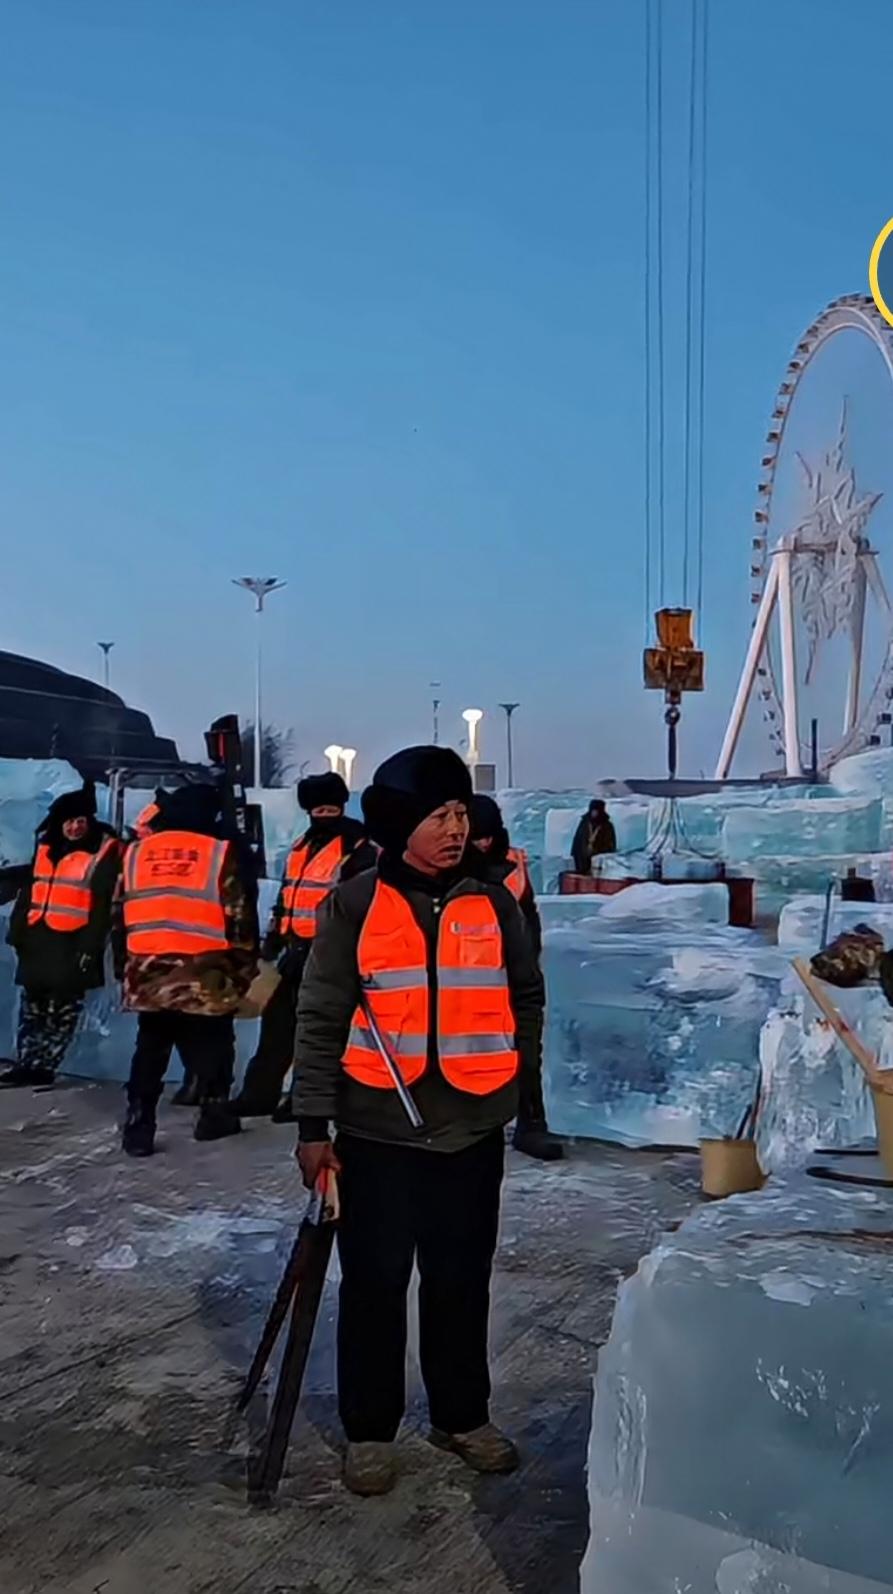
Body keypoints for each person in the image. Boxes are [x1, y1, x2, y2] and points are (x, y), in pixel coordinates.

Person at [293, 746, 545, 1497]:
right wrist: (313, 1126)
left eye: (461, 813)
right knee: (373, 1287)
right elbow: (319, 1016)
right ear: (401, 822)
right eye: (439, 814)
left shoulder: (493, 902)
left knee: (461, 1282)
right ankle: (369, 1431)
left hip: (469, 1131)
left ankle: (461, 1416)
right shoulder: (354, 903)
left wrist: (512, 1075)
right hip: (377, 1133)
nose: (455, 828)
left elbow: (526, 996)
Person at [116, 782, 259, 1157]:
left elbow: (119, 913)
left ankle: (139, 1122)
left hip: (147, 968)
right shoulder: (216, 852)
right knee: (214, 1042)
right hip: (204, 970)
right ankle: (213, 1114)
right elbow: (238, 916)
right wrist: (244, 967)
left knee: (150, 1047)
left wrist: (125, 965)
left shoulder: (135, 853)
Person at [232, 772, 375, 1122]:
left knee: (317, 1031)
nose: (324, 815)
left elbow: (359, 905)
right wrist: (274, 938)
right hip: (295, 951)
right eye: (317, 809)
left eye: (330, 808)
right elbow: (289, 894)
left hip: (329, 953)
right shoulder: (301, 847)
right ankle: (259, 1094)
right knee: (277, 1026)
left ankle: (303, 1098)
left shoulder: (358, 849)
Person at [1, 784, 121, 1089]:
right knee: (33, 1006)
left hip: (72, 941)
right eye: (69, 821)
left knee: (62, 1010)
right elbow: (30, 890)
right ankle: (27, 1061)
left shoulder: (102, 851)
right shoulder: (45, 847)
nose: (76, 827)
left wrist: (89, 947)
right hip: (39, 937)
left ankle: (46, 1065)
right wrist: (17, 931)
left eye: (81, 820)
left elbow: (102, 904)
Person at [467, 794, 563, 1162]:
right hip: (467, 982)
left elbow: (529, 920)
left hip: (514, 978)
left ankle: (532, 1124)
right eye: (478, 836)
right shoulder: (451, 870)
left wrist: (526, 965)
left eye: (489, 835)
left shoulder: (512, 867)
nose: (484, 843)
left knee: (527, 1055)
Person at [571, 798, 617, 876]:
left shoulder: (607, 826)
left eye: (596, 811)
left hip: (597, 862)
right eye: (593, 810)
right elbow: (577, 839)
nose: (594, 813)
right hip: (582, 859)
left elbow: (610, 843)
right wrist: (574, 853)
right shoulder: (584, 823)